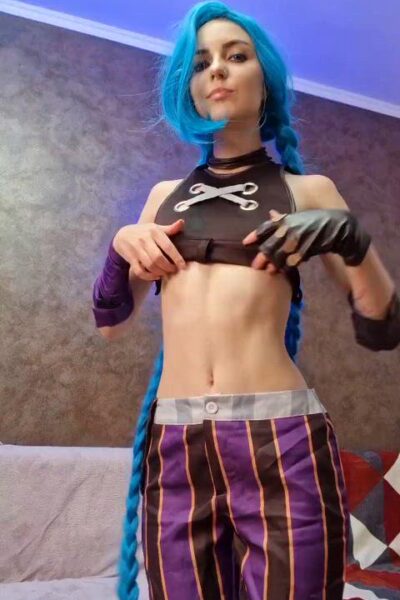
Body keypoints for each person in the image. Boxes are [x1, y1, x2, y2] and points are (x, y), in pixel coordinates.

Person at [91, 2, 400, 598]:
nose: (217, 69)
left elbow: (382, 330)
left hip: (280, 438)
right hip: (175, 443)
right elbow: (111, 325)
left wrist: (353, 240)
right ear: (189, 87)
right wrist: (118, 247)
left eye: (236, 56)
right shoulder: (161, 195)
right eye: (200, 62)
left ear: (267, 79)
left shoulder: (309, 189)